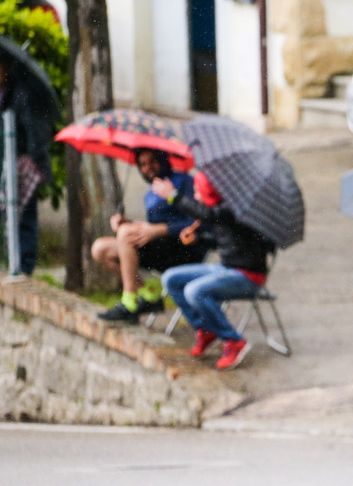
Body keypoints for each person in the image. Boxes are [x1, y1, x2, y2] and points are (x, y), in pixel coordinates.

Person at [154, 171, 274, 371]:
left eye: (199, 191)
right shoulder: (221, 211)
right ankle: (206, 329)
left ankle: (234, 341)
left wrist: (173, 196)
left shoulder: (234, 208)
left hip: (248, 277)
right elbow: (224, 241)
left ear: (212, 192)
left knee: (195, 291)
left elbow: (209, 215)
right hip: (226, 269)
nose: (197, 197)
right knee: (171, 278)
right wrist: (198, 239)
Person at [93, 149, 208, 322]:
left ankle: (129, 301)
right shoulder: (151, 193)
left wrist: (160, 229)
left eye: (153, 161)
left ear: (164, 160)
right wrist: (126, 222)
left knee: (125, 233)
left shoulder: (184, 182)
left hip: (183, 250)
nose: (148, 168)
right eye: (143, 164)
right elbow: (150, 228)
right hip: (159, 249)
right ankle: (148, 295)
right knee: (100, 248)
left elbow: (202, 220)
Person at [0, 58, 53, 275]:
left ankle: (24, 266)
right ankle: (14, 261)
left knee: (25, 216)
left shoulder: (21, 93)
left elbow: (34, 130)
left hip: (23, 164)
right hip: (7, 163)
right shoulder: (6, 92)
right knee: (10, 214)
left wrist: (37, 161)